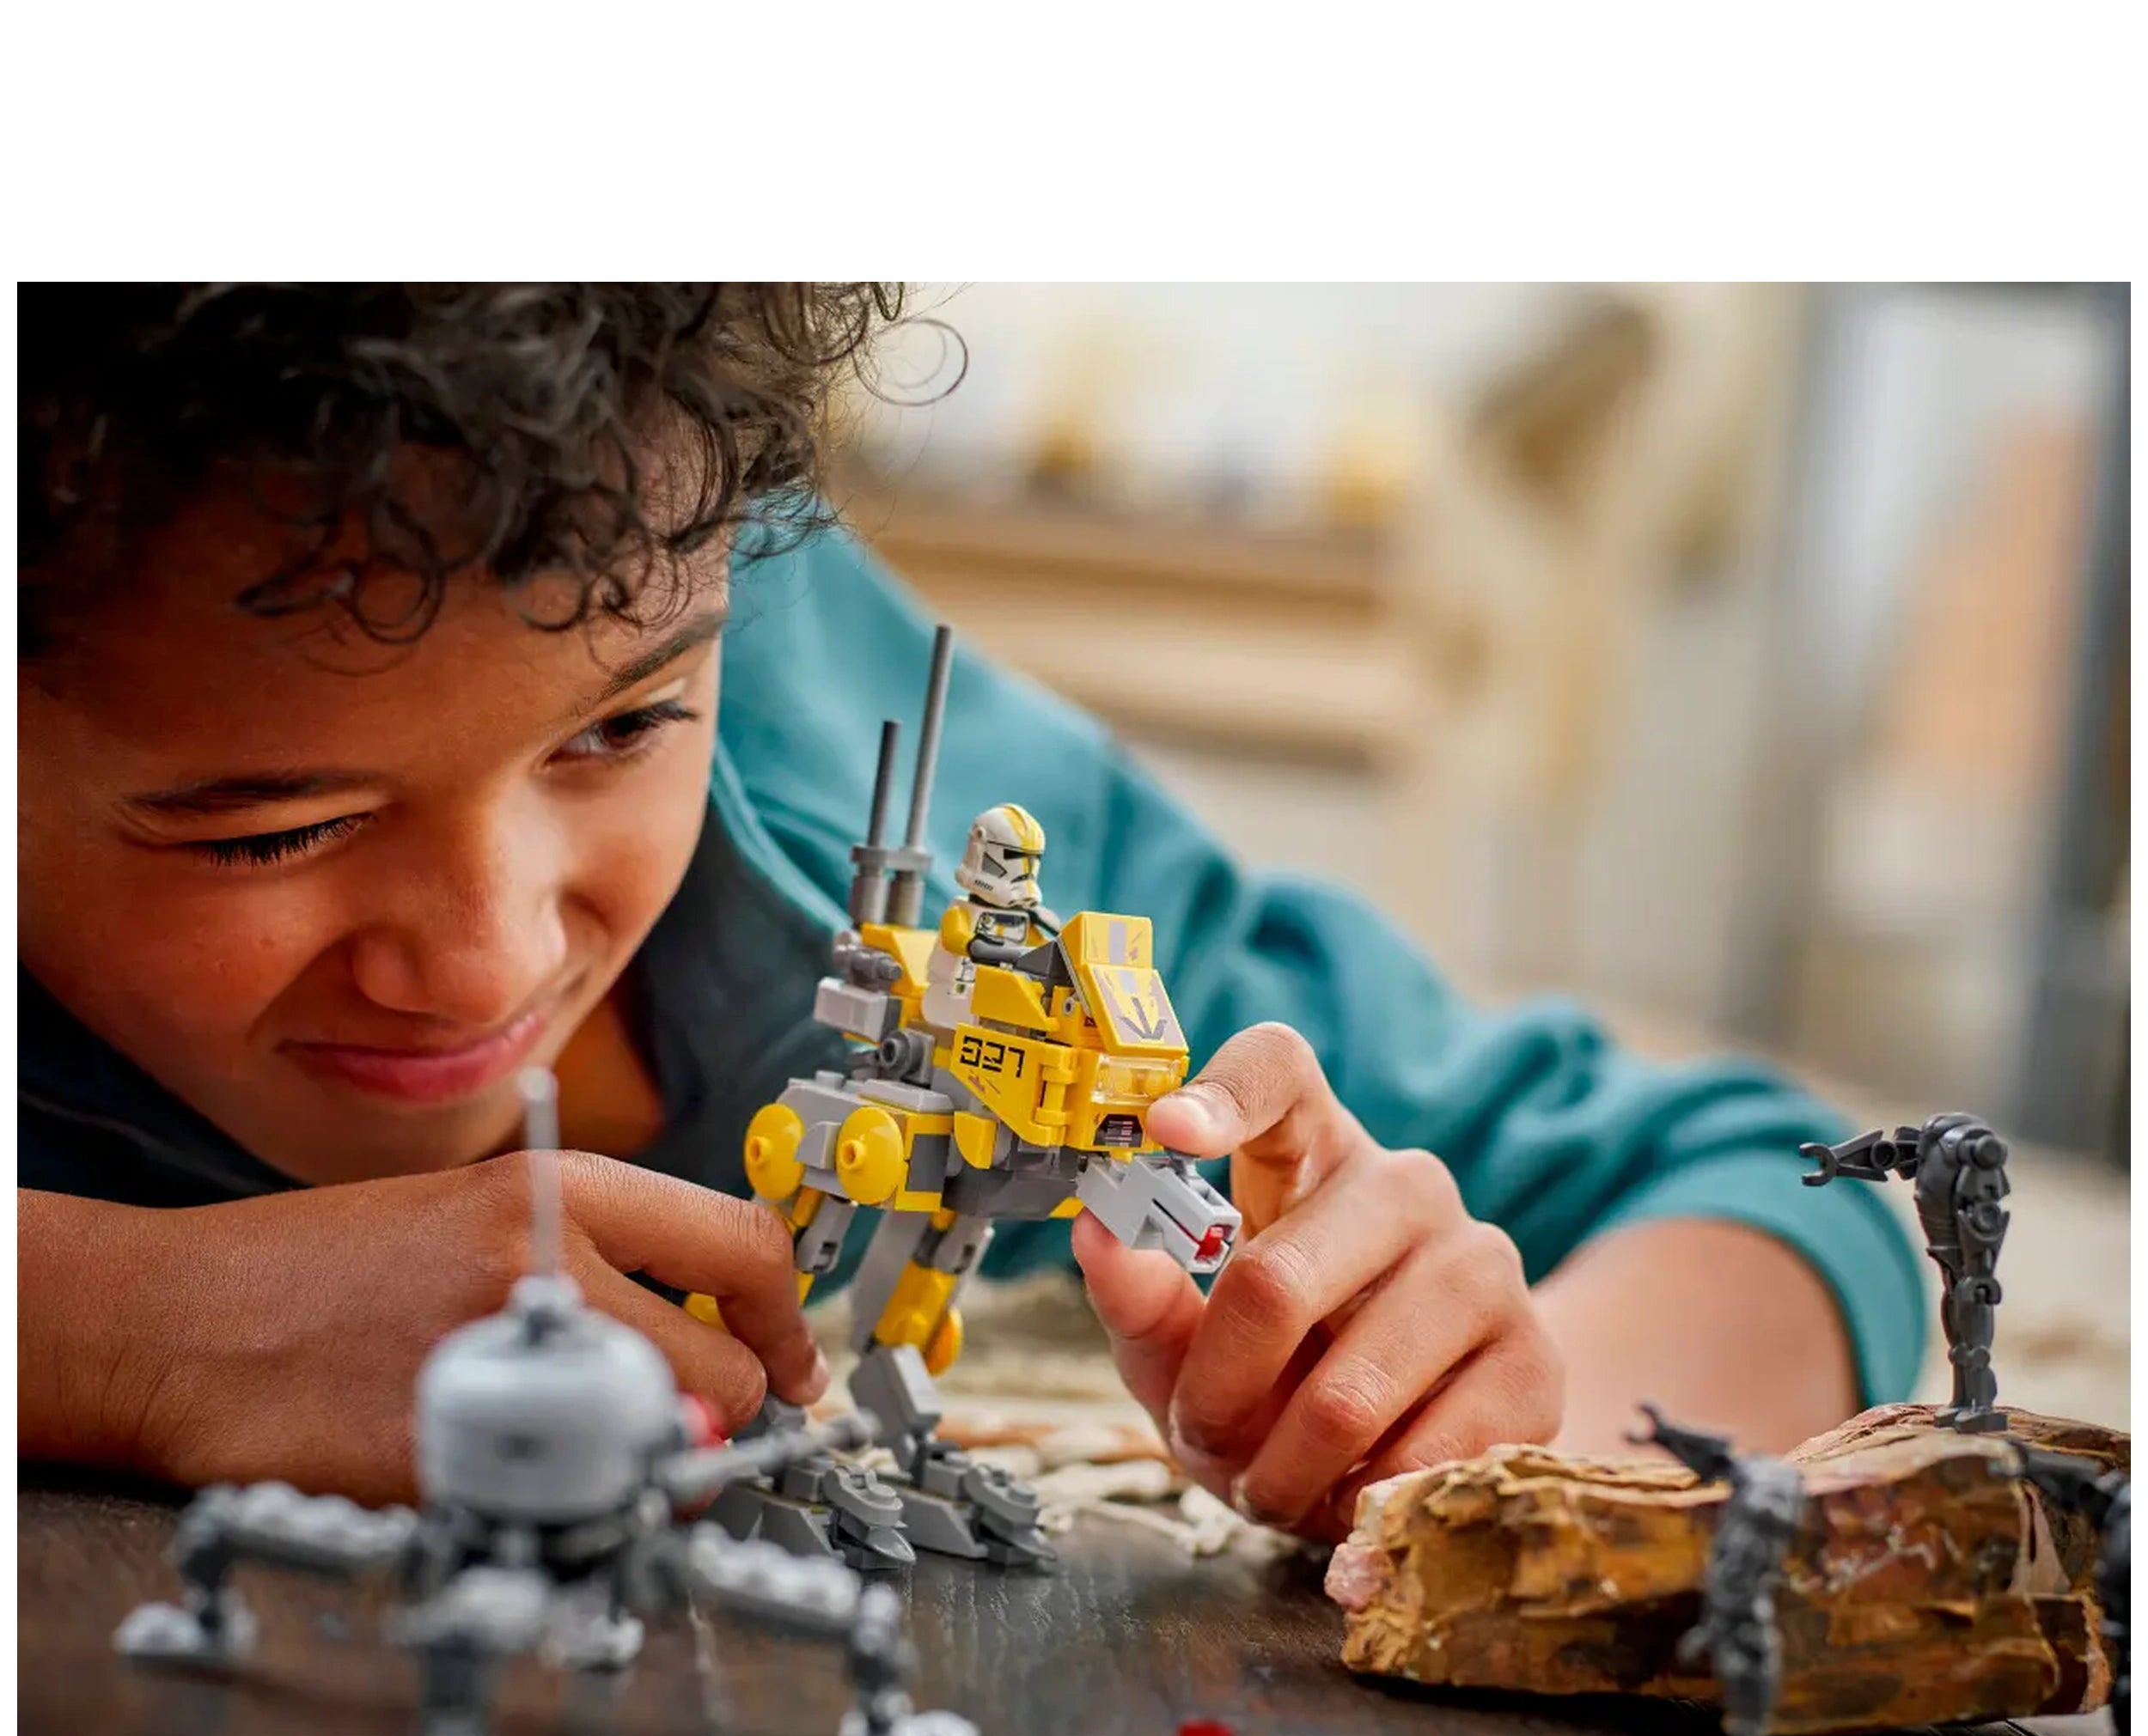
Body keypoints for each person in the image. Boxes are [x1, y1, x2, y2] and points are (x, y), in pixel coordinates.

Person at [16, 283, 1924, 1542]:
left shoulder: (857, 767)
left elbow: (1779, 1182)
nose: (498, 955)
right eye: (270, 831)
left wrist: (1457, 1411)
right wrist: (128, 1324)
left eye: (621, 729)